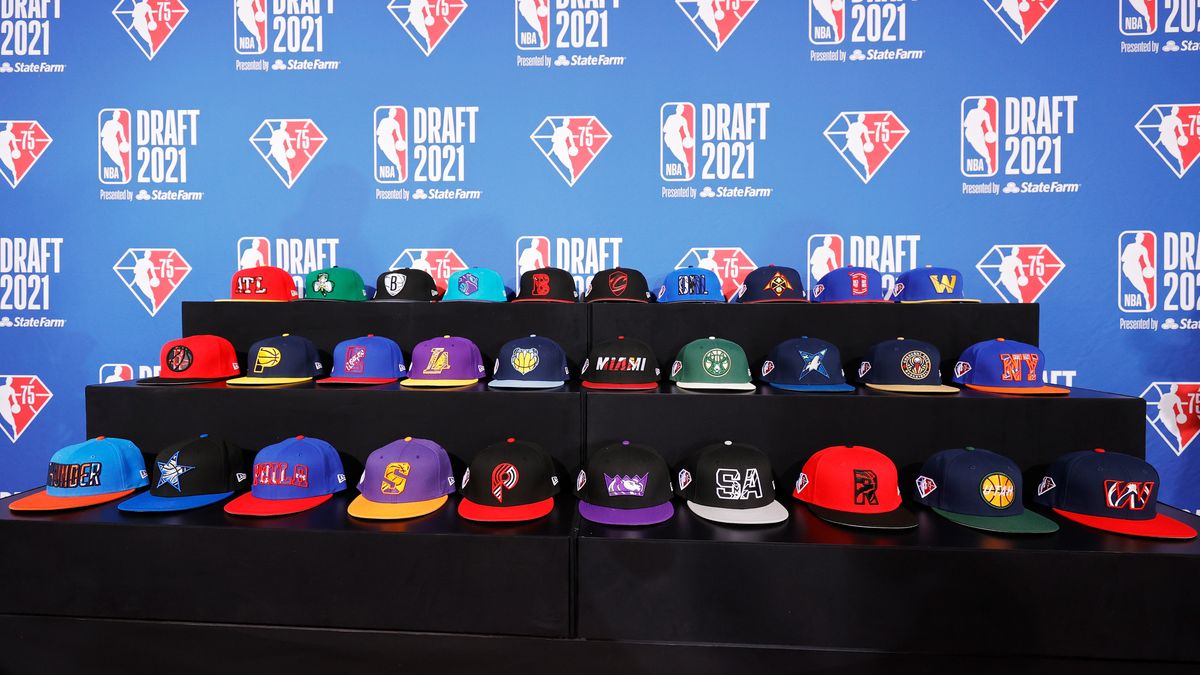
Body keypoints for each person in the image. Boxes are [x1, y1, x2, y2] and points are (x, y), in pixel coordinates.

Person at [963, 98, 996, 175]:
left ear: (984, 105)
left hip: (978, 131)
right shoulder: (972, 111)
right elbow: (965, 123)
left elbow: (989, 125)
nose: (982, 104)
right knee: (975, 147)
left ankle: (988, 163)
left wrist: (991, 132)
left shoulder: (985, 114)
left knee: (983, 147)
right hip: (970, 132)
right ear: (978, 103)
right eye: (981, 102)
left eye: (983, 103)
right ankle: (987, 159)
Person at [1120, 232, 1153, 305]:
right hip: (1127, 267)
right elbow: (1122, 259)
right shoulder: (1129, 246)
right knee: (1134, 282)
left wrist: (1149, 268)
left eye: (1141, 238)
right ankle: (1145, 295)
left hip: (1136, 266)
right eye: (1139, 237)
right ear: (1136, 238)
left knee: (1141, 283)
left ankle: (1146, 298)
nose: (1140, 239)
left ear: (1142, 239)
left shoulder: (1143, 249)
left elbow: (1146, 260)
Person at [376, 108, 407, 181]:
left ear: (395, 114)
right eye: (391, 111)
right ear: (389, 112)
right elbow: (378, 132)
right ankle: (398, 167)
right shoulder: (383, 120)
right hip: (381, 139)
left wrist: (401, 141)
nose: (392, 113)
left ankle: (399, 170)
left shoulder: (396, 123)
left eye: (394, 112)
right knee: (386, 154)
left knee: (393, 155)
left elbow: (399, 134)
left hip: (389, 139)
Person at [662, 104, 693, 174]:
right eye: (679, 109)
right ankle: (685, 164)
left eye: (681, 110)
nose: (680, 111)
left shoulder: (683, 120)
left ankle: (686, 168)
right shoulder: (670, 117)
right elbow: (664, 129)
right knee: (674, 152)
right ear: (676, 109)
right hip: (668, 136)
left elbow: (686, 130)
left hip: (676, 136)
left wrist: (688, 137)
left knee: (681, 152)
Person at [100, 110, 129, 183]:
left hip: (113, 141)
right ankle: (122, 168)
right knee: (112, 156)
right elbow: (102, 134)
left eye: (118, 115)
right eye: (115, 114)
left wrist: (125, 142)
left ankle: (123, 172)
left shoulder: (119, 125)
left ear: (119, 117)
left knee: (118, 157)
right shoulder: (108, 123)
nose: (117, 116)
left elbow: (122, 136)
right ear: (113, 115)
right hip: (106, 141)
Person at [1158, 106, 1186, 174]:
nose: (1175, 111)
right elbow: (1160, 129)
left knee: (1177, 152)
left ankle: (1181, 167)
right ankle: (1181, 164)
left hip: (1171, 136)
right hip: (1165, 136)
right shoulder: (1166, 118)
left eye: (1176, 110)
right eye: (1174, 110)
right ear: (1172, 110)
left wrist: (1183, 136)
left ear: (1177, 112)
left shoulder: (1178, 120)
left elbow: (1181, 130)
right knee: (1171, 151)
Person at [1157, 384, 1185, 450]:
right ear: (1171, 388)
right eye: (1173, 387)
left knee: (1173, 427)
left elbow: (1180, 408)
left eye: (1176, 388)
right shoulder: (1165, 395)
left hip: (1170, 413)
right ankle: (1179, 438)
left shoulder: (1176, 398)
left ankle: (1179, 439)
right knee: (1169, 427)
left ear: (1176, 390)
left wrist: (1182, 414)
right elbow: (1159, 405)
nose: (1174, 389)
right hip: (1163, 413)